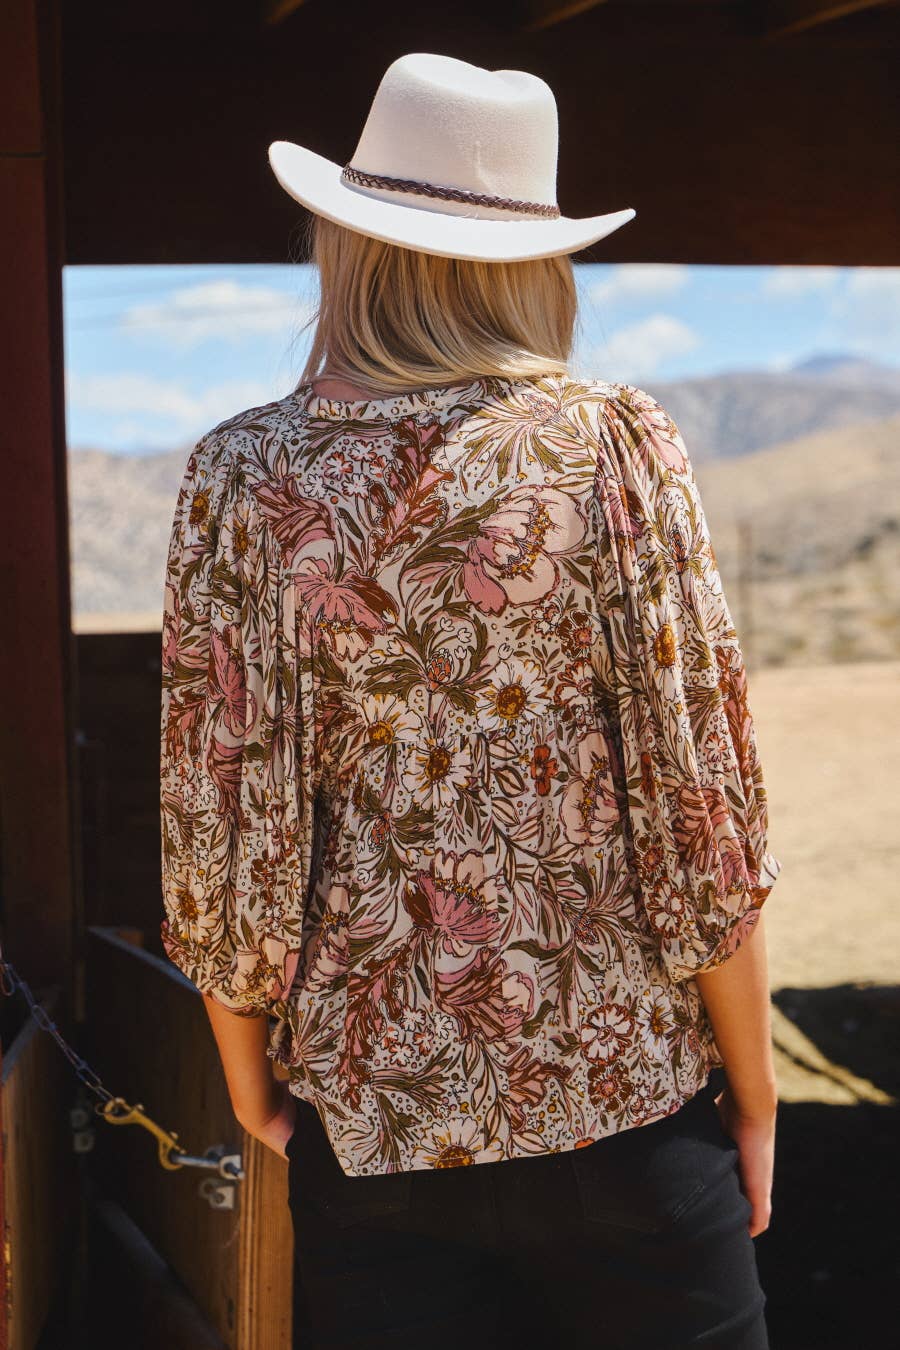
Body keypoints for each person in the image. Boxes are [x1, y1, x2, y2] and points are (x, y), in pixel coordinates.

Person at [159, 52, 783, 1350]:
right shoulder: (614, 446)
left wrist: (247, 1076)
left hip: (375, 1132)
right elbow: (699, 813)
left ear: (350, 244)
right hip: (628, 1114)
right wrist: (758, 1093)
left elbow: (225, 827)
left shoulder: (242, 474)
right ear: (534, 262)